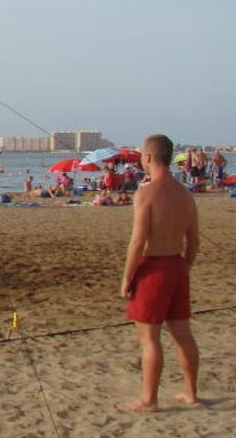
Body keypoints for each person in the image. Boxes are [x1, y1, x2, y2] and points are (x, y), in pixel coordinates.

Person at [118, 134, 199, 413]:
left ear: (150, 157)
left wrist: (127, 277)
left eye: (142, 154)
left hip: (154, 267)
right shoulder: (185, 194)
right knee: (182, 333)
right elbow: (194, 243)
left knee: (149, 338)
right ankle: (191, 393)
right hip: (177, 265)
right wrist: (182, 268)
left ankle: (149, 399)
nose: (141, 158)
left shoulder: (147, 193)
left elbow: (138, 241)